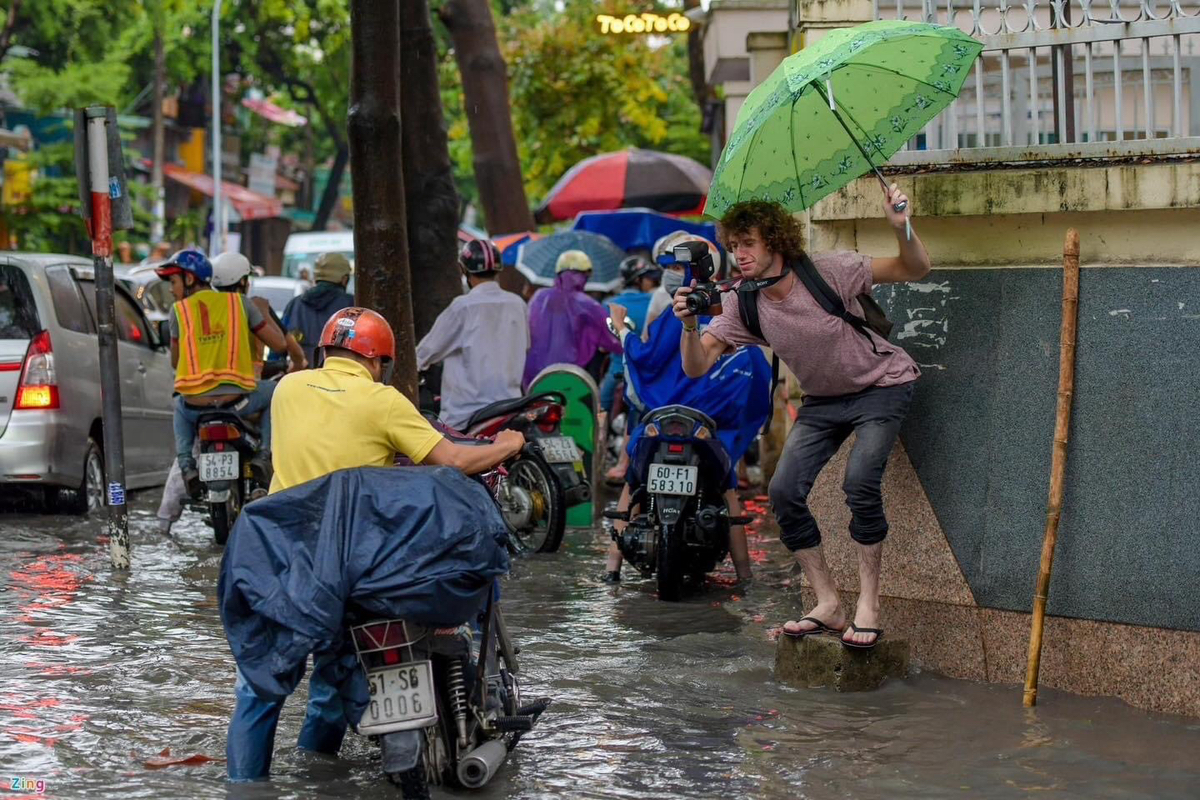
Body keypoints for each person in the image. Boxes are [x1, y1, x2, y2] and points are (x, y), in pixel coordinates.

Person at [226, 307, 525, 782]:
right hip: (356, 567)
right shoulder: (383, 402)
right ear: (378, 361)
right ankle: (320, 769)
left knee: (258, 688)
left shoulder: (286, 388)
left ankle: (245, 787)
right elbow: (450, 461)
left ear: (326, 351)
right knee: (329, 682)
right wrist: (507, 445)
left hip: (286, 559)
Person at [674, 188, 929, 649]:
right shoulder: (742, 302)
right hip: (823, 401)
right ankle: (828, 603)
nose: (741, 254)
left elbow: (914, 268)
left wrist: (901, 227)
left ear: (774, 240)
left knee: (859, 483)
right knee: (784, 491)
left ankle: (869, 603)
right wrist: (690, 324)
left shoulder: (829, 271)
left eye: (748, 242)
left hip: (882, 385)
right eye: (733, 246)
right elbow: (696, 365)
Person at [602, 236, 771, 587]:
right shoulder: (724, 312)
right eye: (670, 268)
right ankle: (744, 577)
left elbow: (645, 358)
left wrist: (622, 331)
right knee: (729, 494)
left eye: (679, 267)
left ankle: (611, 568)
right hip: (710, 431)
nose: (672, 274)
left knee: (631, 485)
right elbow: (754, 379)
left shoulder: (687, 316)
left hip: (665, 423)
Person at [157, 249, 288, 498]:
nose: (172, 290)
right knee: (276, 392)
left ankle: (187, 467)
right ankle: (263, 455)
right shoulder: (240, 304)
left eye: (173, 282)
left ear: (189, 279)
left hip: (195, 406)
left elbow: (176, 362)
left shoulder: (178, 311)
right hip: (238, 401)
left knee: (179, 407)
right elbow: (280, 345)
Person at [416, 239, 529, 430]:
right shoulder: (518, 304)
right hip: (510, 409)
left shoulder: (463, 307)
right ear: (498, 270)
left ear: (463, 269)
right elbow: (524, 346)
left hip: (465, 415)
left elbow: (424, 353)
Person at [523, 250, 623, 388]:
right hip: (568, 378)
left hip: (532, 378)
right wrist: (629, 343)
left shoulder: (538, 297)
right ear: (583, 276)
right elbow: (611, 338)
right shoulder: (587, 304)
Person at [599, 256, 660, 482]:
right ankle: (626, 463)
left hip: (616, 371)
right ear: (641, 280)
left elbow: (601, 344)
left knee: (601, 411)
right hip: (645, 375)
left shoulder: (611, 304)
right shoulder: (657, 300)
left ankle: (599, 458)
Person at [210, 252, 308, 376]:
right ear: (241, 282)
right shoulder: (251, 305)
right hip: (246, 383)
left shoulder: (204, 308)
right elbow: (284, 346)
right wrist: (264, 313)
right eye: (247, 278)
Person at [281, 252, 354, 366]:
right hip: (341, 379)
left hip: (301, 380)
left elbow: (279, 348)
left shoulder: (295, 305)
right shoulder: (353, 307)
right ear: (344, 279)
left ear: (315, 278)